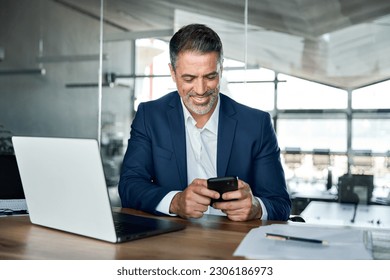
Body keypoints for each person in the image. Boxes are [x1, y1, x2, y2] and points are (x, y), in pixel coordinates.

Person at [119, 23, 291, 221]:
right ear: (173, 73)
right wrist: (175, 202)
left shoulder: (257, 124)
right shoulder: (149, 116)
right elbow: (129, 186)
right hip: (171, 241)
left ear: (221, 69)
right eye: (189, 78)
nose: (200, 90)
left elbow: (280, 203)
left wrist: (257, 207)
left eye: (210, 77)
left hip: (232, 244)